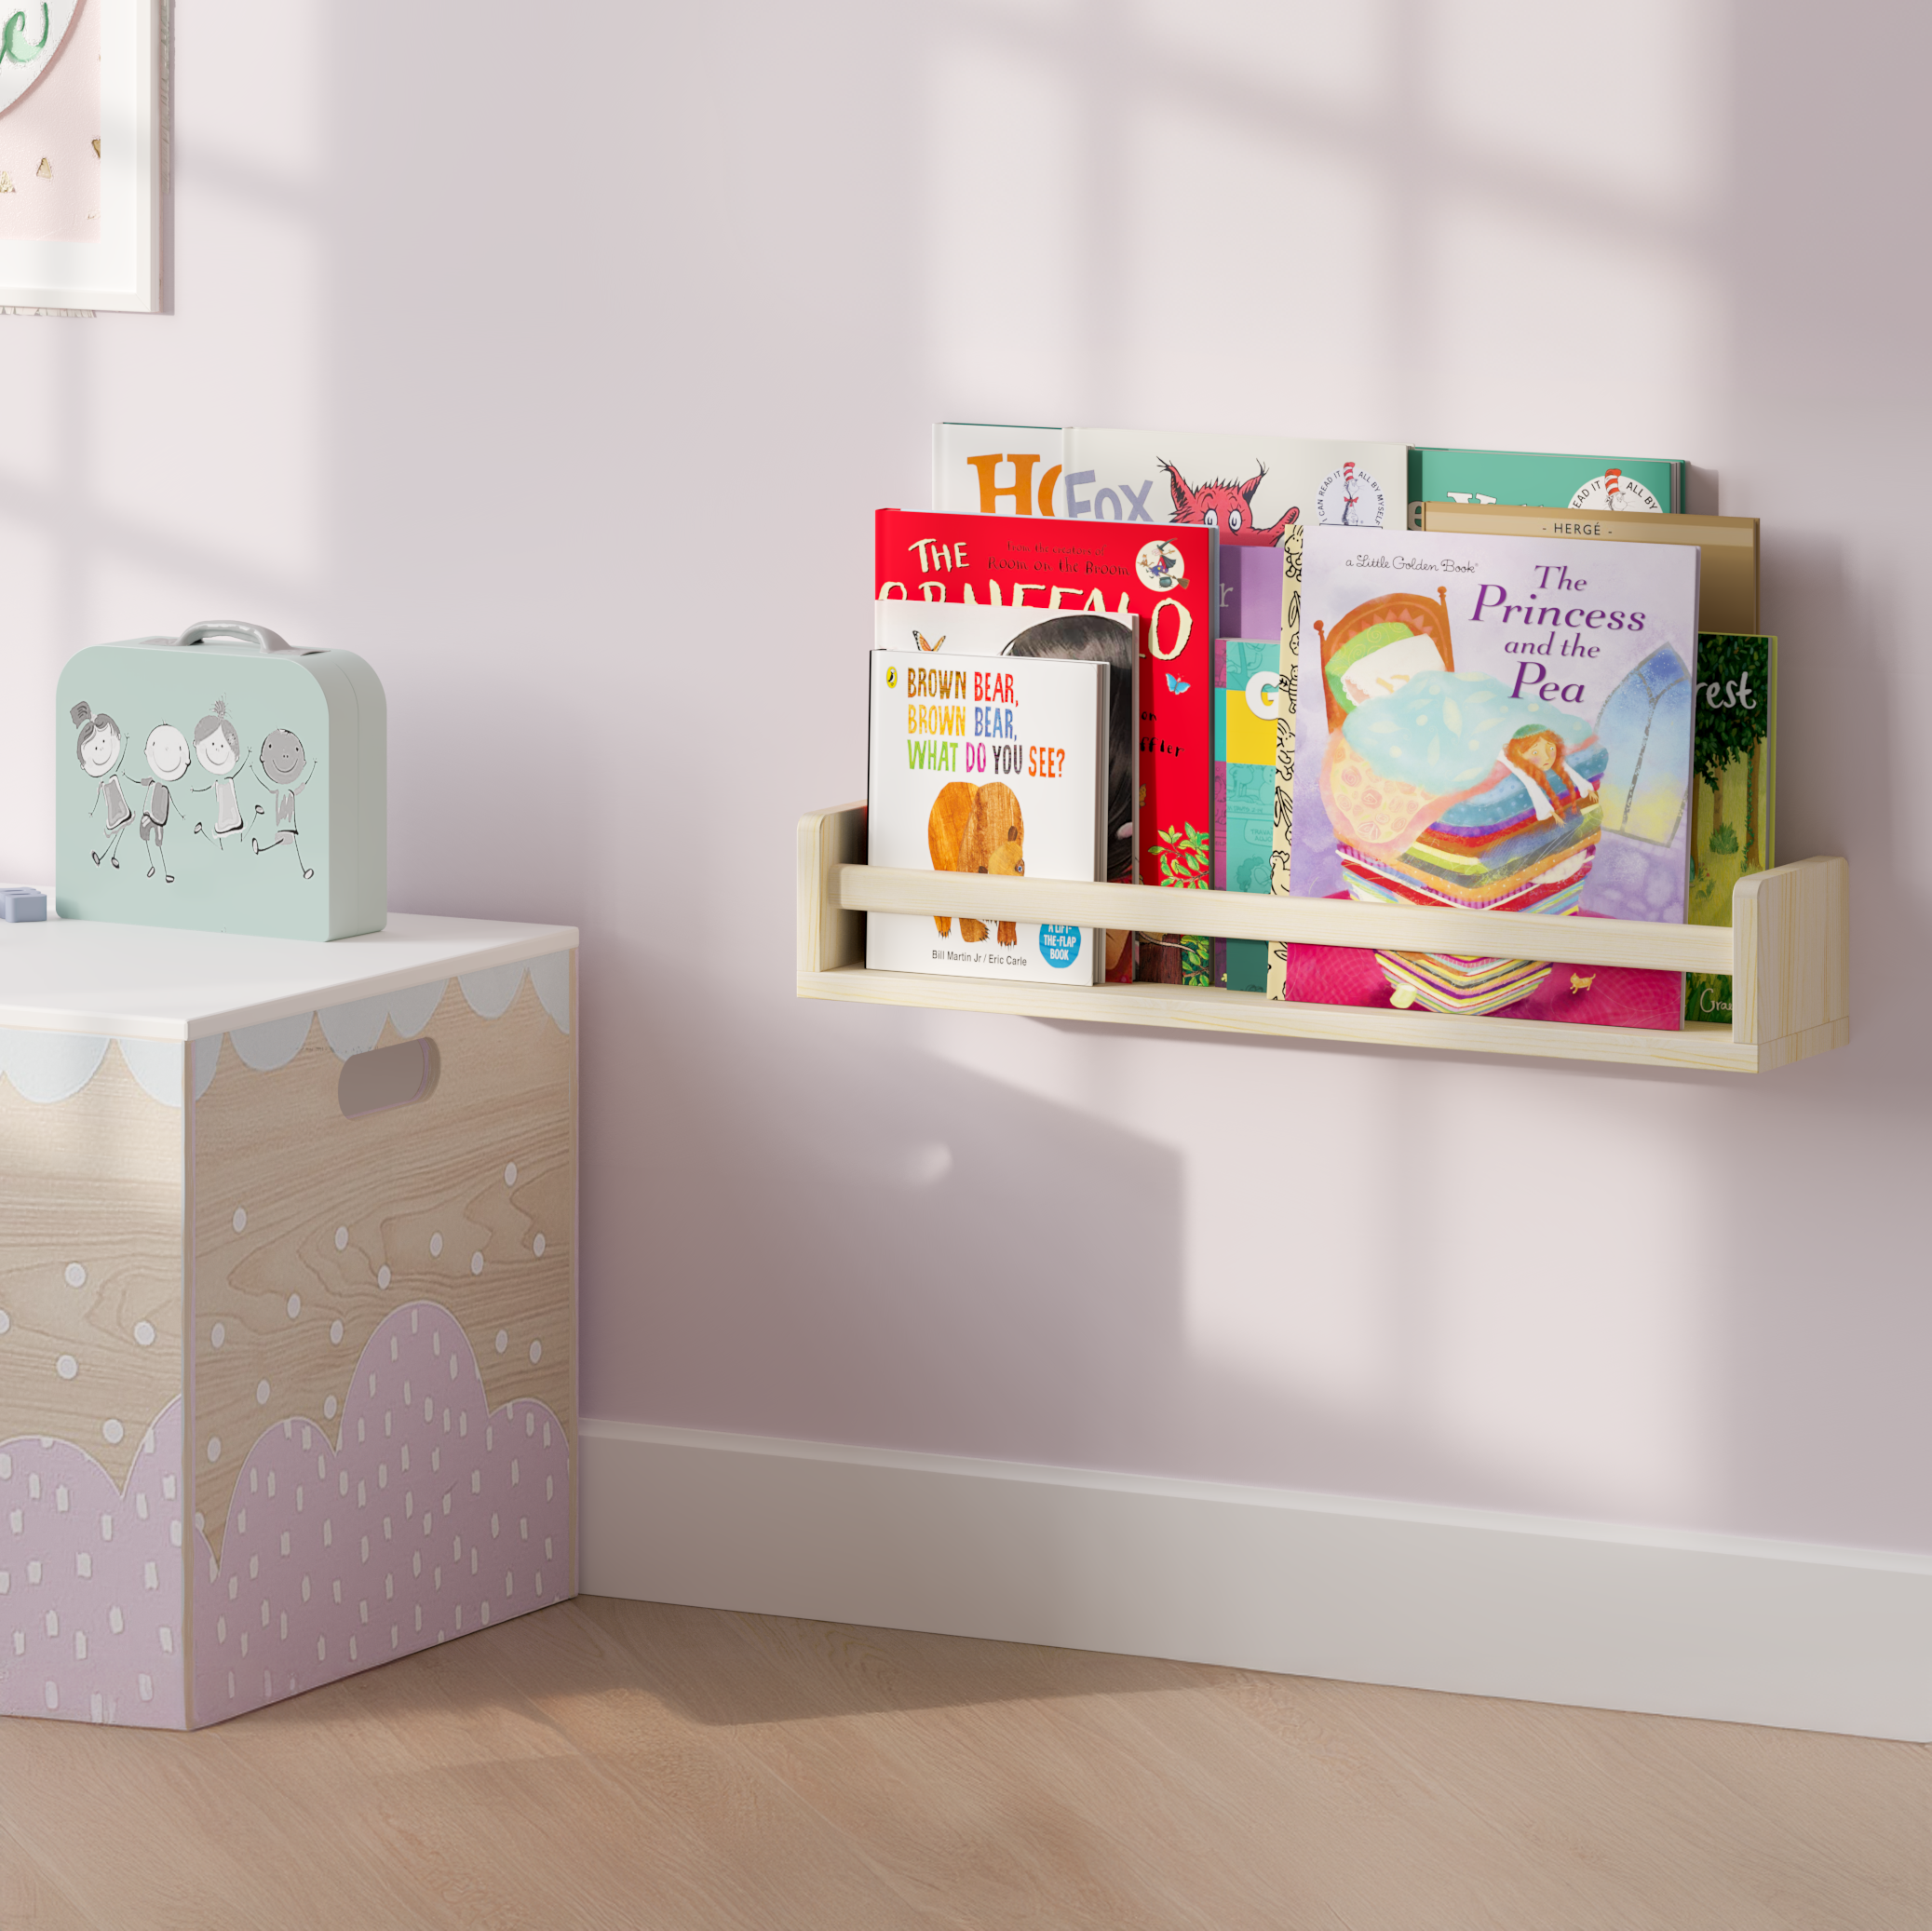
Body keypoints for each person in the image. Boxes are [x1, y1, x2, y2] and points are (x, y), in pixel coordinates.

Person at [73, 702, 134, 869]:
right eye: (95, 748)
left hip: (121, 811)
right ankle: (109, 853)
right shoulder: (104, 782)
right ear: (83, 764)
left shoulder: (112, 778)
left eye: (105, 742)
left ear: (117, 737)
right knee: (119, 829)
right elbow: (100, 798)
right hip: (115, 813)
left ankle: (110, 854)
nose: (101, 751)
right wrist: (92, 809)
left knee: (122, 829)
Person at [250, 728, 315, 878]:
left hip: (289, 825)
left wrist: (312, 770)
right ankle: (262, 850)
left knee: (291, 845)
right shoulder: (280, 790)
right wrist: (254, 773)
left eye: (295, 750)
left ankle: (300, 868)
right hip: (283, 824)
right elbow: (267, 787)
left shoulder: (288, 791)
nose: (285, 755)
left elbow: (301, 786)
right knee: (285, 843)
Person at [190, 700, 250, 847]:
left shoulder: (228, 780)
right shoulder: (215, 782)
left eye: (222, 746)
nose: (216, 749)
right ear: (196, 743)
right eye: (212, 744)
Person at [137, 723, 192, 883]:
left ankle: (163, 869)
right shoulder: (153, 782)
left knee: (158, 842)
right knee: (145, 835)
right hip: (150, 816)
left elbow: (170, 803)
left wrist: (180, 813)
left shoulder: (164, 788)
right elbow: (141, 781)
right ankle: (152, 864)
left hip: (159, 818)